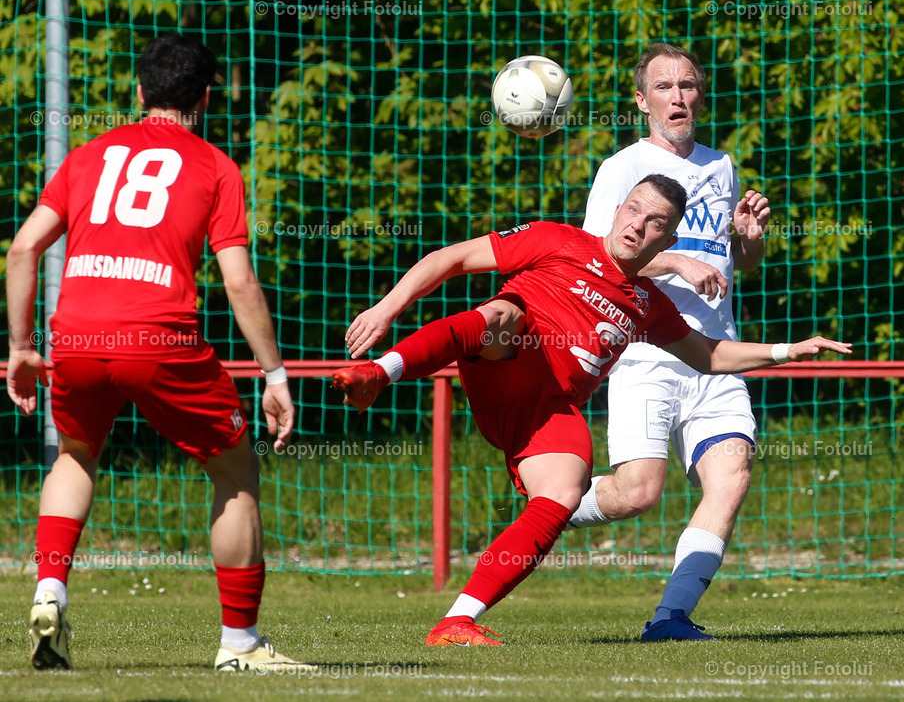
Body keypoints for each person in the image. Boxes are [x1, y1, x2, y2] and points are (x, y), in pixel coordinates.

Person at [332, 174, 850, 646]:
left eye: (656, 224)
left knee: (563, 489)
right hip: (507, 358)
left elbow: (710, 354)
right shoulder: (557, 239)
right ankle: (380, 374)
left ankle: (456, 621)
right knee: (503, 315)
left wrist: (787, 351)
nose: (638, 226)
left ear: (667, 242)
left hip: (545, 409)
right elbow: (453, 258)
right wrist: (385, 309)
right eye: (634, 211)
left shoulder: (647, 302)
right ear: (618, 209)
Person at [5, 34, 312, 672]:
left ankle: (49, 593)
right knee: (234, 471)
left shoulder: (88, 156)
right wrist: (275, 374)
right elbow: (238, 281)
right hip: (159, 335)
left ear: (139, 91)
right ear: (206, 96)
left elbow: (22, 249)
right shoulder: (216, 167)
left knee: (76, 455)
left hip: (79, 335)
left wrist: (20, 348)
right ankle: (240, 644)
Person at [569, 42, 774, 641]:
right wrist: (677, 262)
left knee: (731, 474)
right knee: (637, 493)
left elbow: (741, 264)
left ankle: (671, 618)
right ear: (641, 101)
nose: (677, 97)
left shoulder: (721, 165)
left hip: (715, 354)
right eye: (663, 87)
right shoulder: (621, 168)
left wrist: (751, 237)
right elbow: (599, 261)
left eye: (687, 85)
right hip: (648, 352)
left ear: (699, 96)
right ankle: (554, 508)